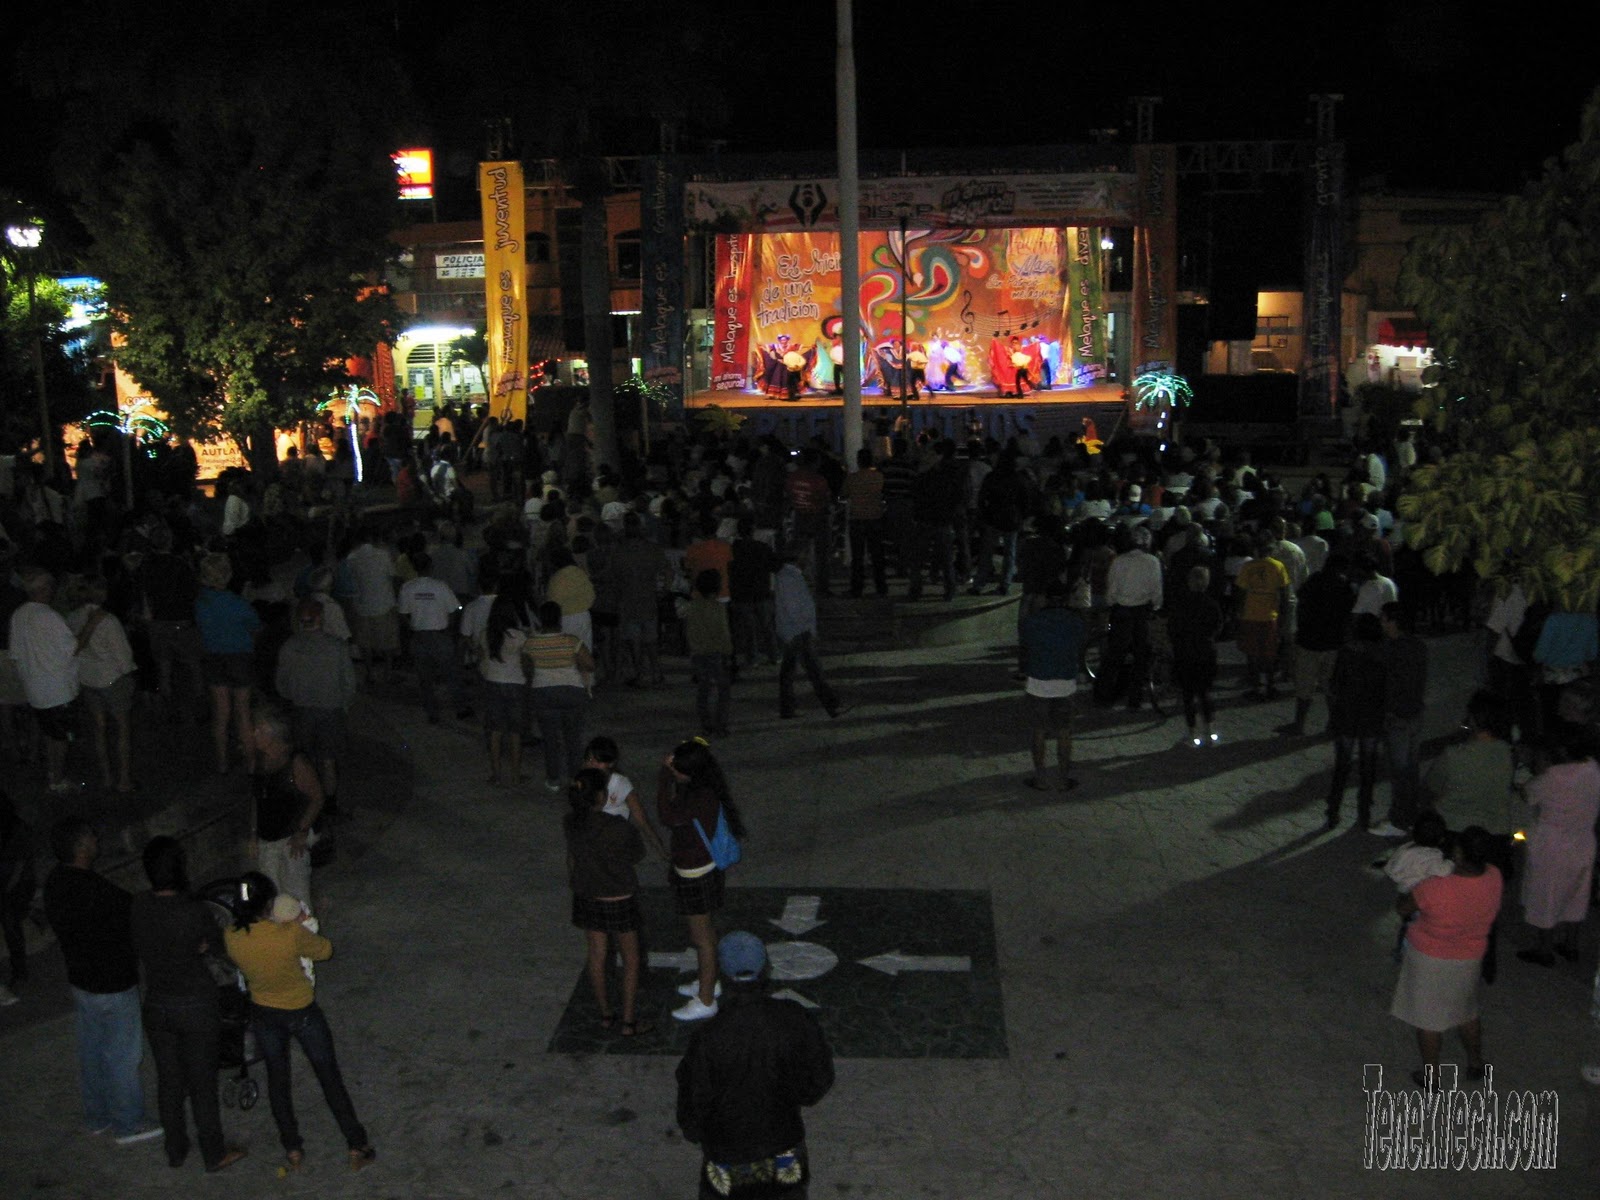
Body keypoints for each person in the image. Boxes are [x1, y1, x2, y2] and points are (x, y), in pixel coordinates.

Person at [222, 872, 375, 1172]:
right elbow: (325, 950)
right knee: (329, 1077)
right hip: (301, 1011)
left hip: (264, 1013)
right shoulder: (288, 934)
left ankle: (292, 1147)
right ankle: (356, 1144)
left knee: (278, 1082)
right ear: (268, 904)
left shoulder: (231, 936)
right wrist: (300, 921)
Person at [676, 931, 835, 1199]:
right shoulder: (795, 1019)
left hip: (726, 1153)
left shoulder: (709, 1037)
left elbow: (693, 1104)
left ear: (722, 977)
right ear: (765, 972)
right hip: (782, 1145)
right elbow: (816, 1083)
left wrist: (700, 1132)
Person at [41, 816, 161, 1144]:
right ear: (81, 847)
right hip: (113, 983)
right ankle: (128, 1122)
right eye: (91, 837)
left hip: (81, 981)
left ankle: (97, 1116)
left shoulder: (56, 882)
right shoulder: (94, 889)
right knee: (122, 1056)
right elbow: (131, 911)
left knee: (92, 1052)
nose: (97, 841)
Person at [129, 837, 246, 1172]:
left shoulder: (139, 905)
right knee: (202, 1082)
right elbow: (216, 945)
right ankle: (213, 1152)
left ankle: (175, 1148)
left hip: (158, 1003)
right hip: (194, 1003)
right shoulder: (192, 909)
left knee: (169, 1080)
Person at [1391, 825, 1503, 1089]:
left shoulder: (1436, 886)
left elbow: (1402, 909)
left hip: (1430, 956)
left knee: (1428, 1019)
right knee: (1466, 1011)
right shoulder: (1494, 876)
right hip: (1470, 956)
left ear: (1460, 854)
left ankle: (1431, 1075)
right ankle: (1475, 1063)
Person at [658, 738, 747, 1021]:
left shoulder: (698, 797)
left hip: (696, 874)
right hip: (701, 870)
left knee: (702, 939)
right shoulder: (702, 789)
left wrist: (663, 781)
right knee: (705, 933)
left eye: (677, 769)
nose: (673, 772)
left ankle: (706, 999)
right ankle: (709, 981)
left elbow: (667, 816)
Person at [564, 767, 652, 1037]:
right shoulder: (618, 827)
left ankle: (605, 1014)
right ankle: (628, 1021)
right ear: (601, 796)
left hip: (588, 894)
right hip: (619, 896)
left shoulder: (571, 823)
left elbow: (572, 857)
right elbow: (636, 854)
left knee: (597, 954)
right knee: (631, 958)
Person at [1516, 731, 1600, 966]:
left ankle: (1544, 950)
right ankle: (1571, 945)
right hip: (1584, 840)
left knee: (1546, 896)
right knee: (1577, 895)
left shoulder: (1553, 776)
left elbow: (1528, 793)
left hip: (1553, 844)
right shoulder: (1593, 768)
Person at [274, 598, 357, 820]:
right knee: (329, 759)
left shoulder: (290, 647)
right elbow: (349, 683)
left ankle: (308, 802)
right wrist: (343, 704)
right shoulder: (336, 646)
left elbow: (281, 683)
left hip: (302, 710)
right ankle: (330, 804)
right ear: (320, 619)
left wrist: (295, 695)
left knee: (305, 759)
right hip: (331, 710)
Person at [9, 566, 80, 792]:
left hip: (36, 689)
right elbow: (72, 648)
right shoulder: (48, 616)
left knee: (51, 735)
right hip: (57, 690)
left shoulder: (19, 615)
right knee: (60, 739)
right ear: (45, 589)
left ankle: (53, 773)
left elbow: (16, 654)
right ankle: (57, 780)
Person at [250, 709, 324, 909]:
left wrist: (301, 832)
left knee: (297, 900)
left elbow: (316, 797)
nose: (254, 733)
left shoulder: (296, 763)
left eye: (260, 730)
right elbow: (258, 800)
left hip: (291, 840)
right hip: (268, 840)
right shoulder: (260, 760)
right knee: (271, 898)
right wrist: (254, 835)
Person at [194, 553, 260, 776]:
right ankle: (251, 763)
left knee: (221, 714)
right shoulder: (237, 603)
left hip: (214, 658)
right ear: (228, 575)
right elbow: (255, 625)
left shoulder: (201, 602)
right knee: (243, 713)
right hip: (239, 658)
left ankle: (222, 762)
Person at [1019, 580, 1086, 791]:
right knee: (1064, 731)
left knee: (1039, 730)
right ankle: (1063, 778)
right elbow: (1080, 646)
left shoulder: (1034, 621)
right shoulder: (1075, 621)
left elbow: (1025, 646)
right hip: (1065, 681)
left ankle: (1040, 778)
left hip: (1038, 680)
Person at [1325, 614, 1388, 832]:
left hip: (1348, 713)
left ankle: (1333, 809)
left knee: (1343, 764)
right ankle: (1364, 811)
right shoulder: (1383, 653)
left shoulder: (1348, 652)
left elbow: (1335, 684)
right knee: (1368, 765)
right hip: (1371, 714)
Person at [523, 600, 594, 792]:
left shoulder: (531, 642)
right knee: (573, 739)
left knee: (550, 739)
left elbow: (527, 668)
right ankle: (574, 778)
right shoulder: (571, 641)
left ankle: (553, 779)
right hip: (571, 690)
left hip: (543, 691)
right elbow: (590, 664)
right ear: (559, 619)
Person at [1375, 601, 1429, 838]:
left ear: (1393, 621)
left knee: (1400, 772)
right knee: (1411, 769)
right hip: (1415, 713)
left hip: (1398, 716)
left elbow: (1387, 684)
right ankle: (1410, 815)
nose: (1381, 623)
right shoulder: (1419, 645)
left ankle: (1399, 821)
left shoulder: (1391, 649)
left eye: (1384, 618)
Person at [397, 550, 469, 724]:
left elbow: (402, 613)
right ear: (430, 567)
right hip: (440, 635)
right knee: (451, 674)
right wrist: (449, 626)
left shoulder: (407, 588)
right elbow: (455, 609)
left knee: (425, 678)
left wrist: (413, 627)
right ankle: (460, 708)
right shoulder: (441, 586)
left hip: (420, 637)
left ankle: (432, 713)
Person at [774, 555, 845, 720]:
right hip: (798, 631)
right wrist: (807, 628)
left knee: (791, 671)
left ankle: (789, 709)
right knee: (813, 670)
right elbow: (794, 608)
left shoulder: (788, 576)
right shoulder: (790, 577)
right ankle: (831, 705)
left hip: (794, 630)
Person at [583, 735, 669, 861]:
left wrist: (661, 851)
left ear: (611, 763)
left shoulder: (621, 783)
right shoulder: (583, 780)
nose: (592, 765)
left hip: (616, 834)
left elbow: (642, 820)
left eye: (599, 761)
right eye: (590, 760)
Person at [1167, 565, 1225, 746]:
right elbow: (1218, 627)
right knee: (1205, 692)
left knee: (1188, 695)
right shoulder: (1211, 604)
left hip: (1185, 652)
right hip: (1205, 651)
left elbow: (1173, 629)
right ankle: (1210, 730)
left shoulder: (1180, 604)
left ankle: (1192, 733)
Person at [477, 593, 530, 786]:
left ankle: (496, 773)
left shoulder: (486, 634)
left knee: (495, 731)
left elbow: (481, 658)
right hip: (515, 684)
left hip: (493, 683)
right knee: (515, 732)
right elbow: (526, 660)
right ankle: (516, 774)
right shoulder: (518, 636)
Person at [1232, 532, 1290, 701]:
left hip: (1250, 615)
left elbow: (1240, 591)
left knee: (1252, 653)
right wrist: (1283, 617)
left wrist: (1239, 612)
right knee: (1270, 653)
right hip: (1270, 616)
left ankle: (1256, 687)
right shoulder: (1278, 566)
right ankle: (1270, 685)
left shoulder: (1248, 567)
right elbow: (1284, 594)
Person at [686, 569, 734, 737]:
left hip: (698, 653)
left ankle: (706, 723)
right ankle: (720, 725)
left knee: (704, 689)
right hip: (716, 653)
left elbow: (689, 630)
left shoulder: (692, 607)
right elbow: (723, 632)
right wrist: (728, 652)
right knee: (723, 690)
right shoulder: (717, 607)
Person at [0, 792, 35, 1004]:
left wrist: (4, 892)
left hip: (17, 884)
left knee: (9, 920)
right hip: (4, 884)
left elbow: (20, 868)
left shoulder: (17, 830)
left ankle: (19, 970)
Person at [842, 448, 888, 598]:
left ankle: (857, 588)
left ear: (858, 461)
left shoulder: (852, 478)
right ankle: (881, 587)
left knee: (858, 557)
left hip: (857, 519)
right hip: (875, 518)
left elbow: (843, 494)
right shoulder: (879, 477)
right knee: (877, 556)